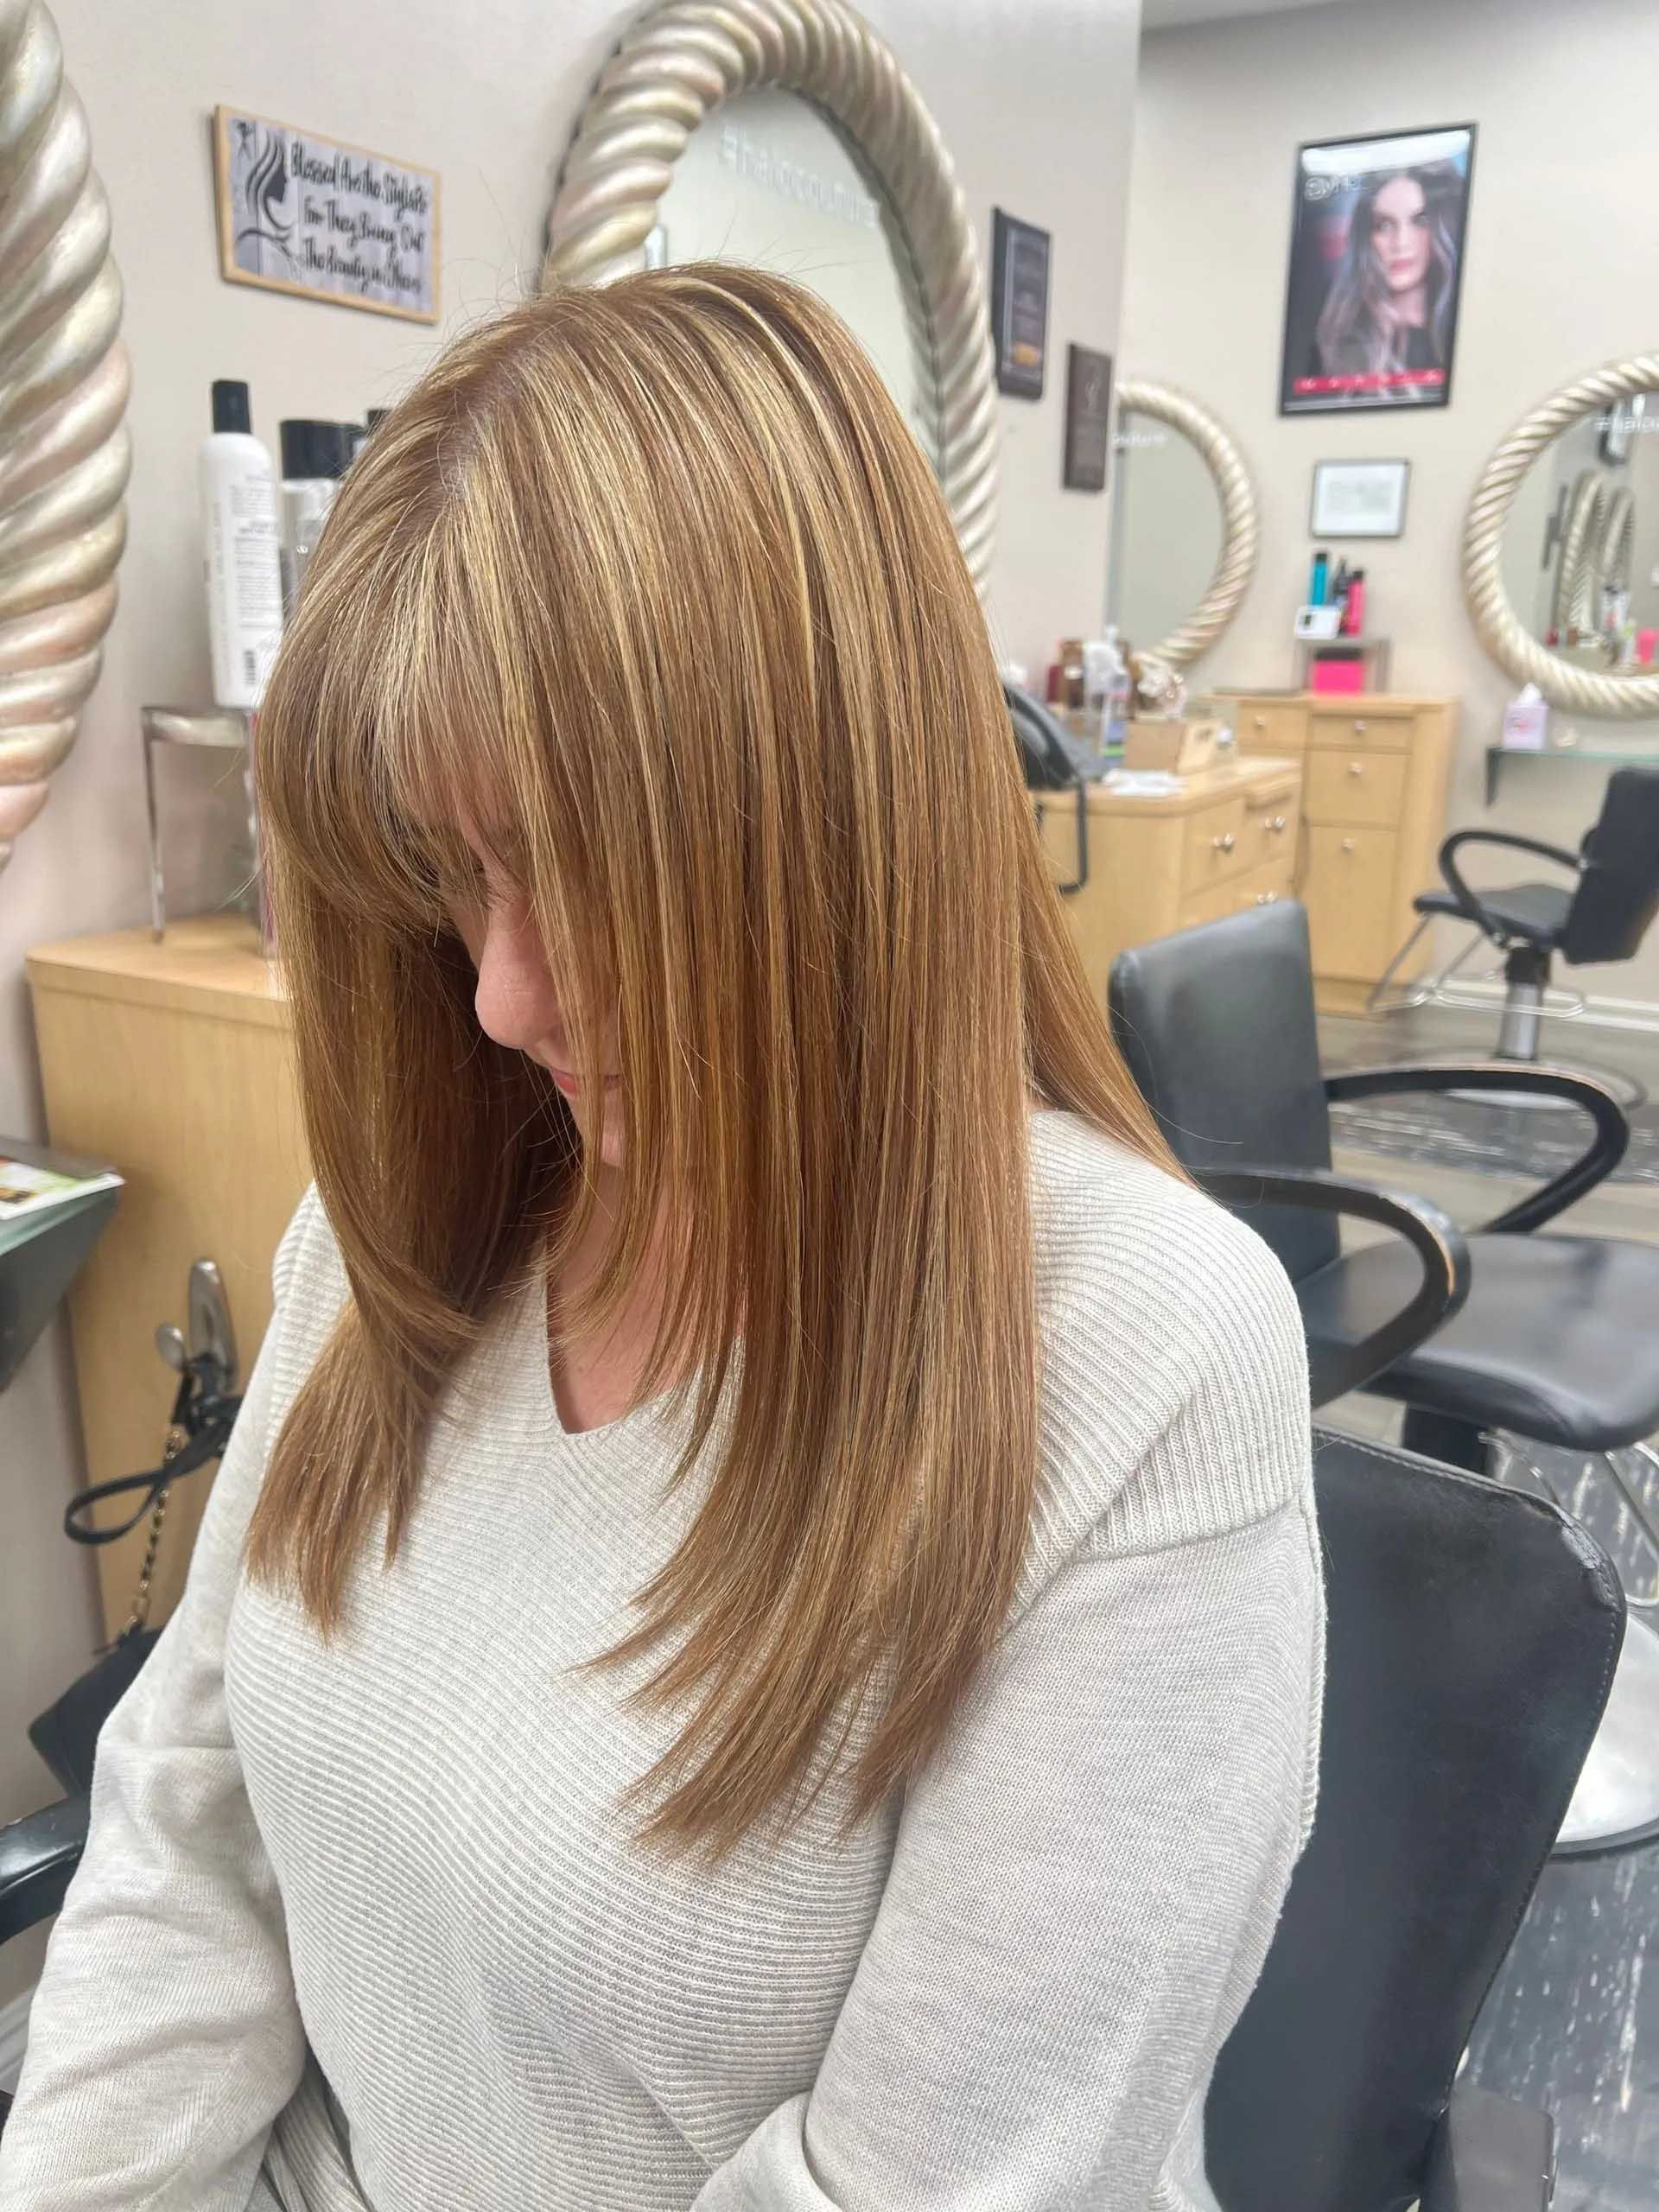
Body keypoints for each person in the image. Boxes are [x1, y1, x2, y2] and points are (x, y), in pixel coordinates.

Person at [0, 265, 1321, 2212]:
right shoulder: (406, 1250)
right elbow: (188, 1831)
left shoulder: (1138, 1358)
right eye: (458, 872)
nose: (503, 1000)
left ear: (832, 823)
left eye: (591, 865)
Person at [1311, 162, 1465, 397]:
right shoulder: (1337, 344)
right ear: (1365, 237)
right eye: (1383, 225)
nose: (1400, 243)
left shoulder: (1462, 335)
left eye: (1420, 221)